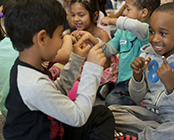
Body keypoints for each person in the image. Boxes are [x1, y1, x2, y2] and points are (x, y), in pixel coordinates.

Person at [3, 0, 115, 140]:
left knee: (101, 114)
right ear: (42, 38)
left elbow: (57, 91)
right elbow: (78, 116)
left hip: (51, 128)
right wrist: (92, 69)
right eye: (60, 36)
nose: (63, 41)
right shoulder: (33, 84)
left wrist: (76, 60)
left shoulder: (26, 67)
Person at [109, 3, 174, 140]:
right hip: (148, 114)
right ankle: (162, 135)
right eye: (151, 31)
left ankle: (142, 137)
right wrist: (137, 77)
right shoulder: (147, 55)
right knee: (111, 112)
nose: (155, 39)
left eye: (163, 33)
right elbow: (137, 98)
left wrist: (171, 86)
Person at [78, 0, 160, 106]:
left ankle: (137, 105)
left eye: (128, 9)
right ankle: (135, 106)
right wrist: (92, 38)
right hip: (123, 83)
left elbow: (135, 26)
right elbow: (108, 50)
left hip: (142, 83)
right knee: (111, 101)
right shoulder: (122, 32)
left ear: (144, 13)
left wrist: (112, 20)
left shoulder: (147, 30)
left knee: (146, 101)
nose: (124, 12)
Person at [70, 0, 119, 100]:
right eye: (73, 15)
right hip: (83, 66)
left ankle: (103, 87)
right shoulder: (75, 34)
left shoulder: (101, 34)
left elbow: (105, 64)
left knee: (110, 73)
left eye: (81, 15)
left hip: (100, 67)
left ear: (95, 15)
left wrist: (84, 57)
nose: (76, 19)